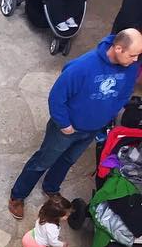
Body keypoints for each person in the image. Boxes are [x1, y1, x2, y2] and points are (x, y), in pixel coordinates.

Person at [8, 29, 142, 220]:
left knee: (68, 160)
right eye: (133, 55)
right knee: (42, 161)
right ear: (118, 48)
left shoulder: (129, 68)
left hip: (93, 128)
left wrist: (106, 117)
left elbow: (124, 93)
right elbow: (57, 97)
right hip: (67, 129)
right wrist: (64, 124)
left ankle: (51, 188)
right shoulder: (83, 67)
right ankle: (18, 195)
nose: (136, 60)